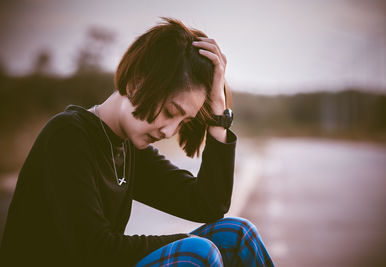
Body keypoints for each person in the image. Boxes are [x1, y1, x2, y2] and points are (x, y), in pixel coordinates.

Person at [0, 17, 274, 267]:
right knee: (198, 254)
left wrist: (218, 112)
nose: (169, 131)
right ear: (137, 82)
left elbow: (208, 205)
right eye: (170, 112)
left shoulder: (128, 148)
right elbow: (93, 250)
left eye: (183, 122)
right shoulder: (68, 135)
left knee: (237, 234)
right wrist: (192, 246)